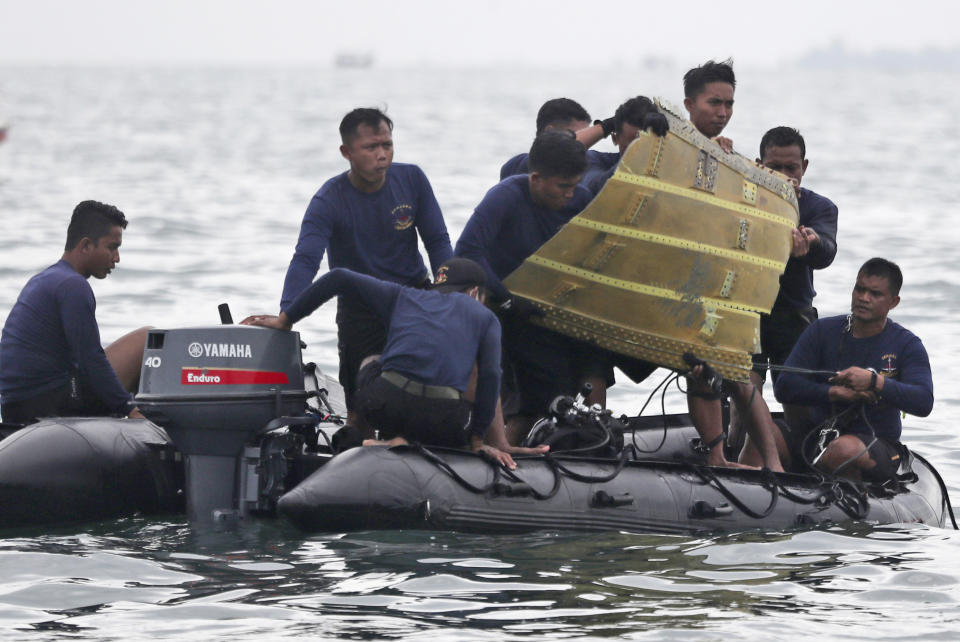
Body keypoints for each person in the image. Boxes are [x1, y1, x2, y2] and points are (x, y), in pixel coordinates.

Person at [244, 258, 532, 468]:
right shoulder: (485, 317)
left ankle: (388, 439)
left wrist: (286, 319)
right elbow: (492, 377)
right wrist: (479, 440)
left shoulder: (404, 295)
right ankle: (414, 442)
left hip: (385, 408)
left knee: (373, 359)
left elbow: (340, 276)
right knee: (469, 376)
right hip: (444, 423)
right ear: (474, 292)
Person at [280, 107, 453, 430]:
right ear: (347, 152)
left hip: (414, 299)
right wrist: (286, 313)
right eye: (371, 148)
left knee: (423, 398)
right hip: (360, 309)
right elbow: (306, 258)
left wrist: (450, 292)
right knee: (359, 412)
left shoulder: (412, 179)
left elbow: (438, 242)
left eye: (387, 145)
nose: (382, 155)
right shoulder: (329, 200)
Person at [456, 130, 602, 443]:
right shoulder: (505, 196)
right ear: (535, 178)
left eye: (574, 185)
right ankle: (498, 447)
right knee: (532, 401)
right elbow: (467, 251)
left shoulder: (580, 200)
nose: (569, 194)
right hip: (504, 309)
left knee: (568, 386)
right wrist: (506, 299)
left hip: (550, 314)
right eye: (563, 186)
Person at [773, 258, 933, 481]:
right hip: (814, 435)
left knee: (842, 450)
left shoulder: (907, 344)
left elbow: (924, 401)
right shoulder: (821, 330)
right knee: (763, 433)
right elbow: (784, 387)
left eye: (874, 294)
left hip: (876, 444)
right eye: (860, 289)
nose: (863, 298)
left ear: (893, 302)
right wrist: (835, 392)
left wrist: (874, 382)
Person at [736, 127, 839, 462]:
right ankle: (734, 455)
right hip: (746, 311)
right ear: (758, 165)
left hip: (793, 314)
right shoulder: (741, 197)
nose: (783, 175)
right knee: (743, 395)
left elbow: (826, 250)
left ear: (804, 167)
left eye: (791, 168)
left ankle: (807, 463)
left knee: (796, 399)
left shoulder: (819, 207)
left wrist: (809, 243)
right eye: (773, 167)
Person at [0, 200, 147, 424]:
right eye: (112, 247)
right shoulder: (73, 286)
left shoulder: (46, 279)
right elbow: (91, 359)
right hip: (50, 404)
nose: (116, 258)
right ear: (86, 245)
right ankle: (148, 420)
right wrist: (130, 410)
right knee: (148, 338)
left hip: (14, 406)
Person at [500, 97, 620, 188]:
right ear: (550, 133)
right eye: (576, 135)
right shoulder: (518, 166)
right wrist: (607, 126)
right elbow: (553, 156)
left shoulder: (590, 161)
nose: (586, 143)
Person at [683, 59, 736, 153]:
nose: (723, 114)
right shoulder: (662, 137)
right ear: (690, 105)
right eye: (715, 103)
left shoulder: (725, 154)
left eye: (729, 104)